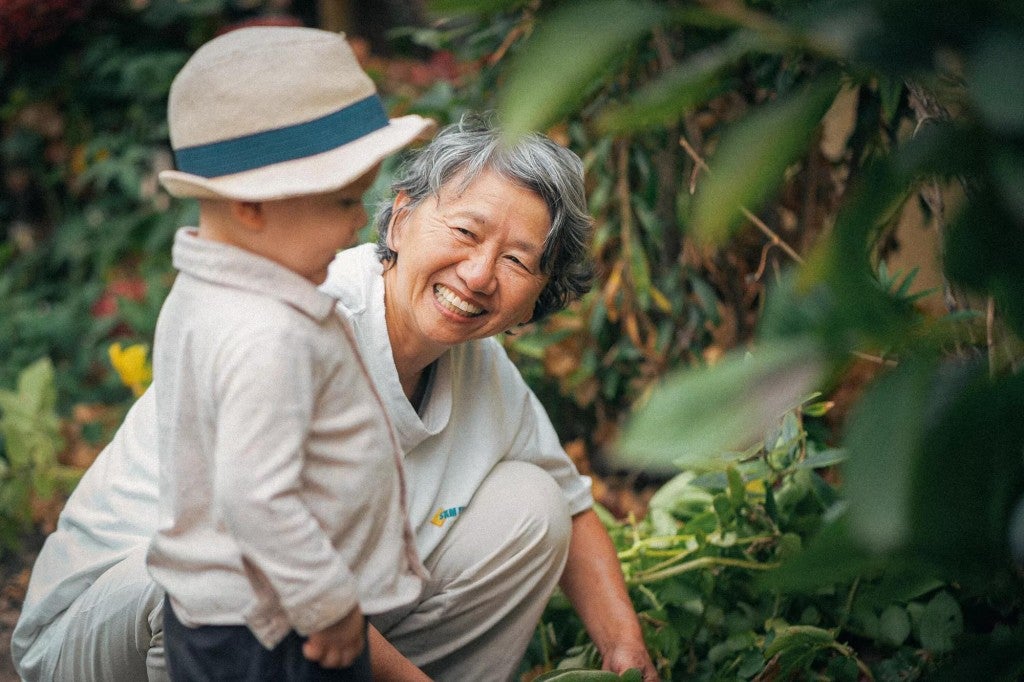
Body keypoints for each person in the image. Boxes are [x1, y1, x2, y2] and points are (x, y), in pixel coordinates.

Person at [13, 108, 659, 682]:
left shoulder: (476, 365)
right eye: (465, 232)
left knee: (534, 505)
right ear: (400, 219)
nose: (480, 274)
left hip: (306, 617)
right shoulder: (304, 323)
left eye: (518, 261)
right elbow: (268, 547)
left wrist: (627, 649)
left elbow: (574, 513)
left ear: (537, 296)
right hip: (115, 624)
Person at [17, 25, 436, 681]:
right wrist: (329, 606)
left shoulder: (202, 291)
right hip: (274, 623)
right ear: (249, 206)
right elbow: (255, 496)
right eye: (344, 201)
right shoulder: (266, 332)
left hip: (223, 614)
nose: (359, 222)